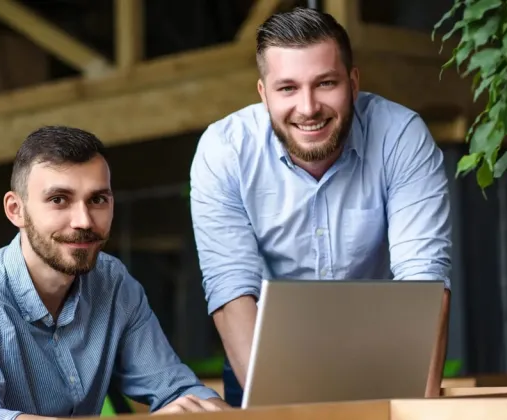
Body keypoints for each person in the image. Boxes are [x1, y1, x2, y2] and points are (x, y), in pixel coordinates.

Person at [189, 8, 452, 407]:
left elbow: (425, 283)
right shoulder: (223, 150)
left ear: (353, 82)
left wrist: (421, 411)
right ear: (263, 94)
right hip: (265, 356)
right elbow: (231, 289)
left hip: (383, 354)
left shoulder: (401, 136)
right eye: (287, 88)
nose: (308, 107)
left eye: (325, 83)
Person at [0, 126, 230, 419]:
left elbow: (175, 389)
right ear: (16, 210)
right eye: (58, 200)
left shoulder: (113, 283)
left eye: (98, 200)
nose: (84, 221)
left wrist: (213, 409)